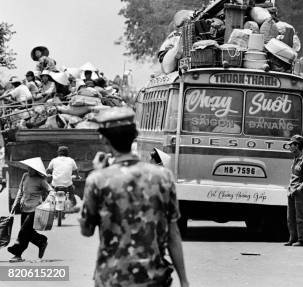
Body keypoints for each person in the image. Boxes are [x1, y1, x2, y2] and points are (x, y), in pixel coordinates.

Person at [80, 107, 189, 287]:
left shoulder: (98, 179)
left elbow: (87, 230)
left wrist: (98, 172)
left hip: (112, 279)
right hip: (153, 278)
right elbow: (173, 234)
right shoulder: (163, 177)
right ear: (135, 135)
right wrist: (184, 280)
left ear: (104, 140)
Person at [7, 157, 53, 262]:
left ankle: (17, 252)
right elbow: (20, 191)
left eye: (31, 168)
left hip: (35, 210)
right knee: (27, 232)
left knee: (23, 231)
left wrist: (48, 201)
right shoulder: (25, 176)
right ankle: (41, 241)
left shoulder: (41, 180)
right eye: (28, 168)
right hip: (24, 208)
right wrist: (15, 204)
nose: (29, 170)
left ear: (36, 170)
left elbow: (51, 191)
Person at [285, 134, 303, 247]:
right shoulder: (295, 159)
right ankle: (292, 238)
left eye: (292, 145)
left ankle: (302, 239)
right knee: (290, 217)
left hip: (299, 192)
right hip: (291, 190)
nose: (290, 147)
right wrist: (290, 188)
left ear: (297, 145)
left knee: (300, 216)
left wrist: (299, 188)